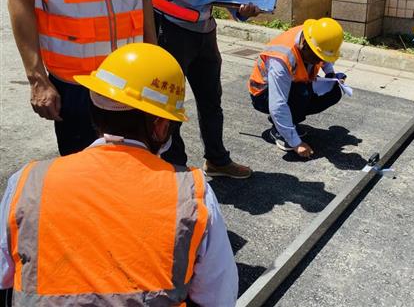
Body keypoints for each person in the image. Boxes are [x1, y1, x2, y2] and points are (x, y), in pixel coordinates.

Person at [0, 43, 238, 306]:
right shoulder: (193, 193)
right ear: (160, 126)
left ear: (95, 109)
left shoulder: (27, 182)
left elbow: (4, 274)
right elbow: (218, 297)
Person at [1, 0, 156, 156]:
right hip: (76, 83)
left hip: (131, 75)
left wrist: (153, 56)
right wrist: (37, 79)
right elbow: (20, 2)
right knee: (83, 173)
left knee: (138, 165)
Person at [146, 0, 259, 178]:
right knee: (169, 103)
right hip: (169, 26)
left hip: (204, 27)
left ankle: (217, 160)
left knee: (211, 98)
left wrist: (241, 8)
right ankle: (174, 167)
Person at [248, 18, 346, 158]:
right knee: (302, 94)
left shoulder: (313, 35)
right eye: (317, 57)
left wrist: (331, 74)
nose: (319, 61)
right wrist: (296, 143)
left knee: (333, 92)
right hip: (263, 93)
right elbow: (278, 104)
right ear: (305, 44)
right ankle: (280, 131)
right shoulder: (281, 60)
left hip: (294, 85)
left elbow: (324, 56)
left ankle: (289, 123)